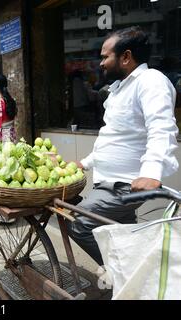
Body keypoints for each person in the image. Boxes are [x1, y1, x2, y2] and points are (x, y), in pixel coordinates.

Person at [68, 26, 179, 266]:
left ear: (126, 57)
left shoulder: (151, 81)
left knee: (79, 224)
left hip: (124, 186)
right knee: (127, 236)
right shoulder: (120, 88)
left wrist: (151, 172)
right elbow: (114, 138)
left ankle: (125, 276)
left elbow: (162, 127)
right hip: (110, 182)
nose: (101, 63)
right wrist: (85, 163)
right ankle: (144, 277)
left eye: (105, 56)